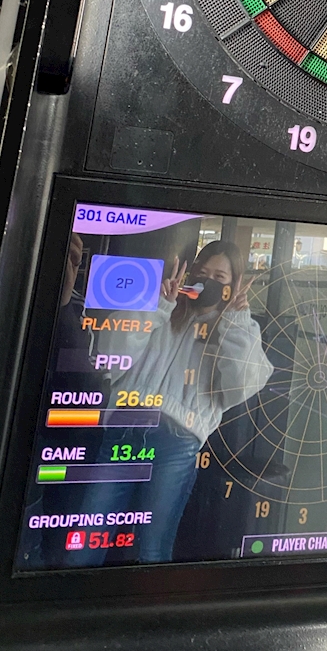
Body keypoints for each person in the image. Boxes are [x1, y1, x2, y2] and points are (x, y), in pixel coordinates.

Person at [69, 241, 272, 565]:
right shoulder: (165, 308)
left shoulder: (234, 328)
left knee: (151, 550)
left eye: (220, 277)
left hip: (176, 442)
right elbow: (112, 354)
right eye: (203, 272)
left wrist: (235, 321)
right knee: (84, 541)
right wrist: (159, 305)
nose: (208, 281)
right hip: (125, 426)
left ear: (233, 286)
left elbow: (243, 385)